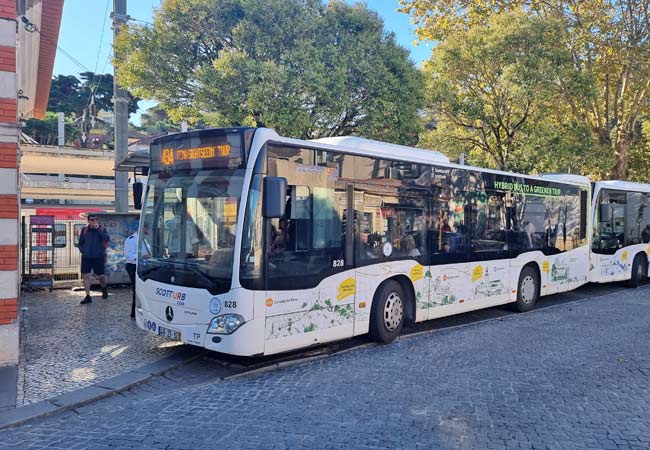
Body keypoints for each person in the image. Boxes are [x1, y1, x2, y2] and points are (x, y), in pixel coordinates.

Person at [78, 213, 110, 305]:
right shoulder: (84, 230)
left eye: (95, 219)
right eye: (92, 220)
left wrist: (98, 229)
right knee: (86, 276)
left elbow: (106, 238)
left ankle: (104, 288)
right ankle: (88, 296)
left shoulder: (102, 229)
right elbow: (80, 243)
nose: (94, 221)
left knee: (101, 276)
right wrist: (83, 251)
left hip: (98, 256)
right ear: (88, 221)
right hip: (86, 257)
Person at [124, 230, 138, 318]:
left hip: (141, 266)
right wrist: (140, 257)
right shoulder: (131, 239)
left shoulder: (145, 239)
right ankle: (133, 312)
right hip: (132, 266)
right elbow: (128, 255)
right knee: (137, 287)